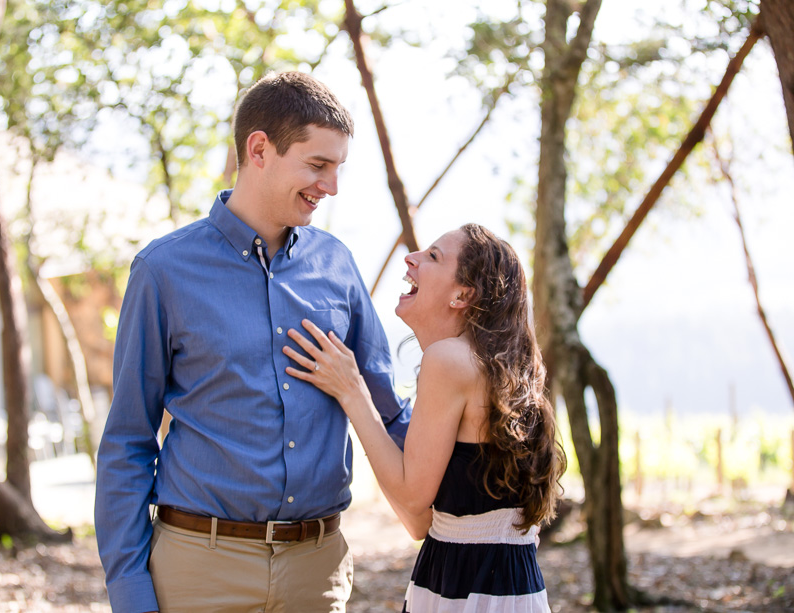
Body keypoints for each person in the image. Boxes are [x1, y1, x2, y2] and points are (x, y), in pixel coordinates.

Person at [94, 71, 412, 613]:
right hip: (198, 572)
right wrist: (130, 590)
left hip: (318, 572)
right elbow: (127, 442)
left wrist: (479, 481)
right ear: (259, 149)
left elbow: (389, 410)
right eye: (317, 165)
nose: (330, 186)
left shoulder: (336, 265)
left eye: (338, 168)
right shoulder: (163, 271)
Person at [284, 223, 566, 612]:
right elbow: (420, 521)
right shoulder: (497, 368)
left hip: (468, 590)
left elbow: (412, 494)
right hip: (499, 585)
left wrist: (352, 392)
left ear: (462, 295)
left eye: (432, 256)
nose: (411, 258)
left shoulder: (448, 361)